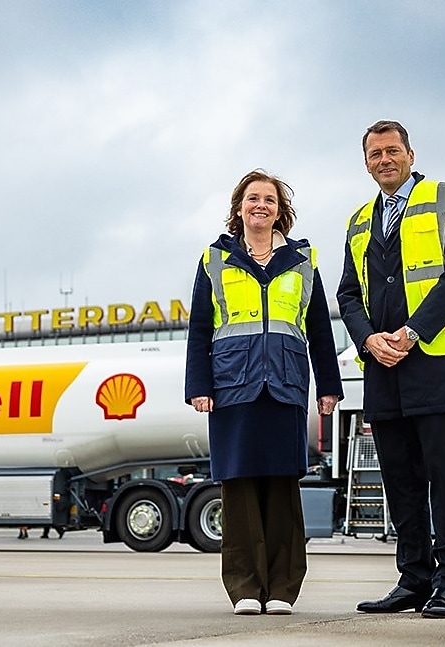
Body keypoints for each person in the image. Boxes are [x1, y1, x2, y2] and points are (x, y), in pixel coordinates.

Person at [337, 120, 445, 619]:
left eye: (392, 151)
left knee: (444, 480)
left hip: (437, 364)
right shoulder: (359, 220)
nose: (385, 160)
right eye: (375, 154)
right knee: (400, 483)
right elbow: (348, 294)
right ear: (366, 163)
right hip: (384, 369)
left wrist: (412, 332)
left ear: (410, 154)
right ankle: (414, 579)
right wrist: (368, 339)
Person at [185, 169, 343, 616]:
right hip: (232, 387)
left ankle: (282, 590)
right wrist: (199, 385)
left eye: (269, 199)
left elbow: (319, 328)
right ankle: (245, 589)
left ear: (279, 210)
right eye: (252, 198)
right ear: (239, 208)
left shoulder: (302, 260)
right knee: (239, 490)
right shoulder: (215, 259)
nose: (261, 205)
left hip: (285, 385)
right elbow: (199, 328)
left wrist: (328, 386)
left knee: (281, 488)